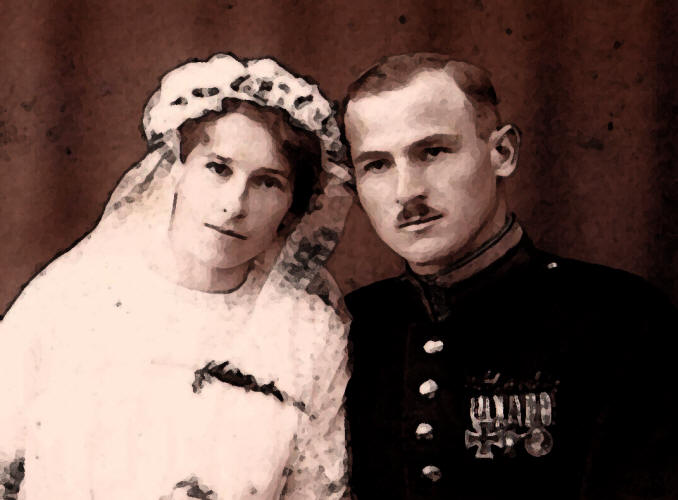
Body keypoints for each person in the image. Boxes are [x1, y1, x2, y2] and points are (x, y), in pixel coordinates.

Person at [0, 53, 354, 499]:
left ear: (292, 209)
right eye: (218, 168)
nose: (234, 205)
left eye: (267, 182)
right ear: (176, 171)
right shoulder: (73, 297)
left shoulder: (308, 334)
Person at [341, 53, 677, 499]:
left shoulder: (621, 318)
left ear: (502, 152)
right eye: (377, 165)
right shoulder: (348, 326)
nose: (406, 192)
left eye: (433, 152)